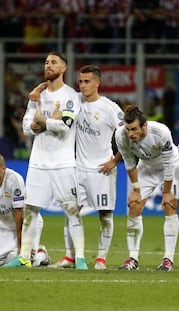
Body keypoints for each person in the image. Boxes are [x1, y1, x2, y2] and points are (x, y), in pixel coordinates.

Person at [4, 52, 88, 269]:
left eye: (53, 63)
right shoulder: (37, 96)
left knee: (71, 210)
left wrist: (43, 121)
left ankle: (79, 258)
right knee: (31, 210)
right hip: (38, 163)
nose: (48, 65)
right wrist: (42, 122)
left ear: (63, 68)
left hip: (63, 163)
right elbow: (26, 127)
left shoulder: (71, 96)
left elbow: (65, 127)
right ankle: (24, 256)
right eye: (46, 62)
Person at [38, 65, 124, 270]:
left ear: (97, 83)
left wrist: (115, 160)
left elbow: (129, 137)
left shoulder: (110, 108)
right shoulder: (74, 100)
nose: (82, 85)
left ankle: (101, 258)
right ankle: (70, 256)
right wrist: (37, 92)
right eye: (80, 81)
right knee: (71, 211)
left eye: (87, 82)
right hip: (77, 168)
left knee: (105, 215)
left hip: (102, 170)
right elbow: (51, 88)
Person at [114, 106, 179, 271]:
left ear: (144, 126)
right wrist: (136, 190)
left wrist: (166, 192)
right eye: (128, 129)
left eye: (134, 129)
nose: (130, 133)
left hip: (172, 166)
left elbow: (168, 165)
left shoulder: (161, 133)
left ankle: (168, 259)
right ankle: (133, 258)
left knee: (170, 205)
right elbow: (130, 163)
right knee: (134, 205)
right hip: (147, 167)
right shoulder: (120, 135)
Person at [0, 152, 50, 266]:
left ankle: (41, 255)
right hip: (4, 226)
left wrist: (21, 247)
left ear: (3, 168)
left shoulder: (14, 180)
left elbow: (19, 214)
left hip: (27, 225)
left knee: (22, 260)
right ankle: (23, 253)